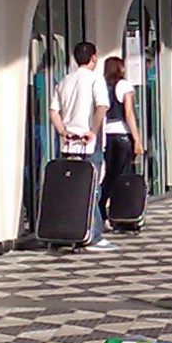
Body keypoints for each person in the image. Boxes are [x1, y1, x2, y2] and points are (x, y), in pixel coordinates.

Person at [50, 39, 110, 245]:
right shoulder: (95, 79)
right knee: (93, 186)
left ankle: (73, 230)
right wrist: (93, 130)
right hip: (88, 143)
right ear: (93, 58)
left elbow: (53, 111)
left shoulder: (65, 80)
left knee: (72, 189)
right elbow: (102, 106)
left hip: (68, 143)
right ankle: (94, 235)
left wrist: (62, 131)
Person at [100, 53, 143, 214]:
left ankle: (102, 209)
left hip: (108, 134)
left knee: (110, 174)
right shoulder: (124, 85)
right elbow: (129, 113)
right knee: (123, 175)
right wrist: (137, 139)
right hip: (122, 134)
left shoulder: (103, 86)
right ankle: (122, 212)